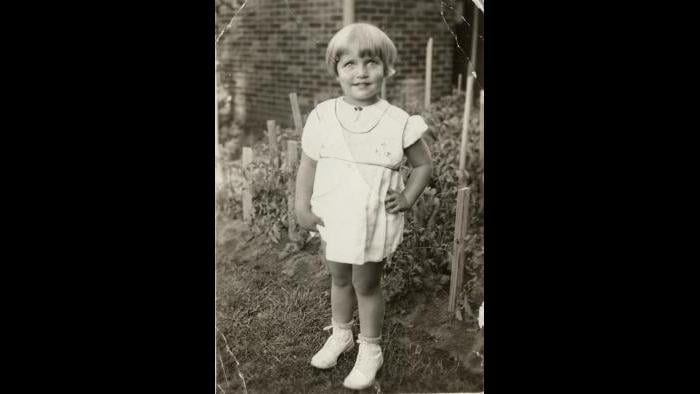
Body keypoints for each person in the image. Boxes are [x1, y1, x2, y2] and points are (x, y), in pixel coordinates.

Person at [294, 22, 433, 390]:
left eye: (370, 62)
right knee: (339, 277)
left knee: (366, 283)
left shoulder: (398, 121)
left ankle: (370, 348)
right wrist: (301, 206)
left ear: (386, 68)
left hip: (372, 219)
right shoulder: (323, 116)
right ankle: (341, 333)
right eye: (349, 64)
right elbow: (308, 164)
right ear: (337, 71)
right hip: (334, 215)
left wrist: (406, 197)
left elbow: (423, 165)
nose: (361, 72)